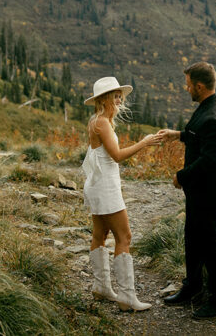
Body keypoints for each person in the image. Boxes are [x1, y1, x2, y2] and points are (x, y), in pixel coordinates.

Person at [157, 61, 216, 319]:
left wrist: (182, 175)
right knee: (193, 236)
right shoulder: (211, 106)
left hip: (208, 192)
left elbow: (210, 160)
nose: (186, 88)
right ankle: (192, 286)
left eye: (188, 84)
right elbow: (198, 134)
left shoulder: (212, 116)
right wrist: (176, 134)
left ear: (199, 87)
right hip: (200, 191)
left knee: (212, 244)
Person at [83, 76, 163, 311]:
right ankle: (126, 297)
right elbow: (117, 155)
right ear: (104, 99)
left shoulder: (97, 121)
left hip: (98, 184)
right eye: (115, 96)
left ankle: (102, 287)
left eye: (120, 95)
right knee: (124, 236)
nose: (119, 99)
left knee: (100, 234)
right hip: (105, 187)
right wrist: (145, 143)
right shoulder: (102, 124)